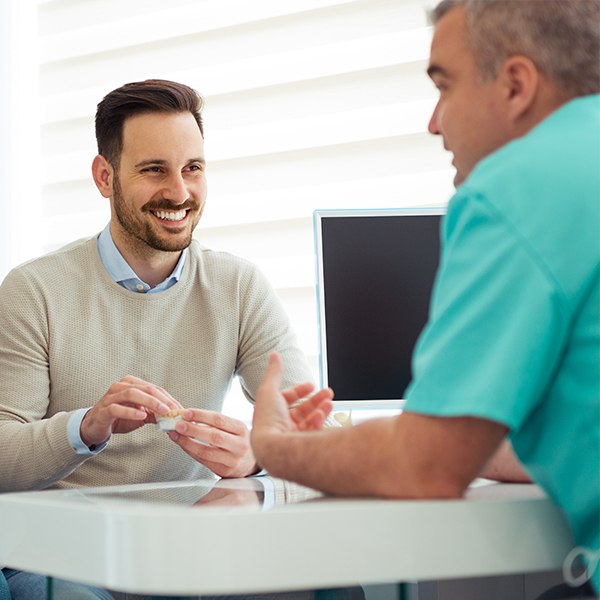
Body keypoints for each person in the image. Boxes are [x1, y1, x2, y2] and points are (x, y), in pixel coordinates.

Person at [251, 1, 600, 598]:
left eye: (447, 85)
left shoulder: (517, 189)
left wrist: (276, 449)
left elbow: (425, 467)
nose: (434, 123)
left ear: (516, 84)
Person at [0, 79, 332, 599]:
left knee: (331, 583)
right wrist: (86, 428)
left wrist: (258, 457)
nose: (179, 193)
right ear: (104, 176)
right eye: (154, 169)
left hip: (190, 551)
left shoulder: (237, 286)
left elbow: (319, 430)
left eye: (192, 169)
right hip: (68, 556)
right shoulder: (34, 290)